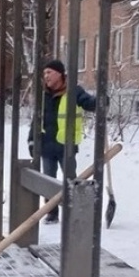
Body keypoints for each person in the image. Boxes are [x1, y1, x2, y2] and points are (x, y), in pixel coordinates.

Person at [27, 59, 100, 223]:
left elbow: (88, 103)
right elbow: (36, 119)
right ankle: (52, 213)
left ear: (60, 74)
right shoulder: (44, 95)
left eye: (49, 72)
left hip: (66, 146)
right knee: (48, 182)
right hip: (47, 146)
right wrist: (32, 140)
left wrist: (100, 101)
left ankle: (73, 212)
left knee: (71, 181)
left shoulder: (74, 91)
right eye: (44, 73)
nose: (46, 76)